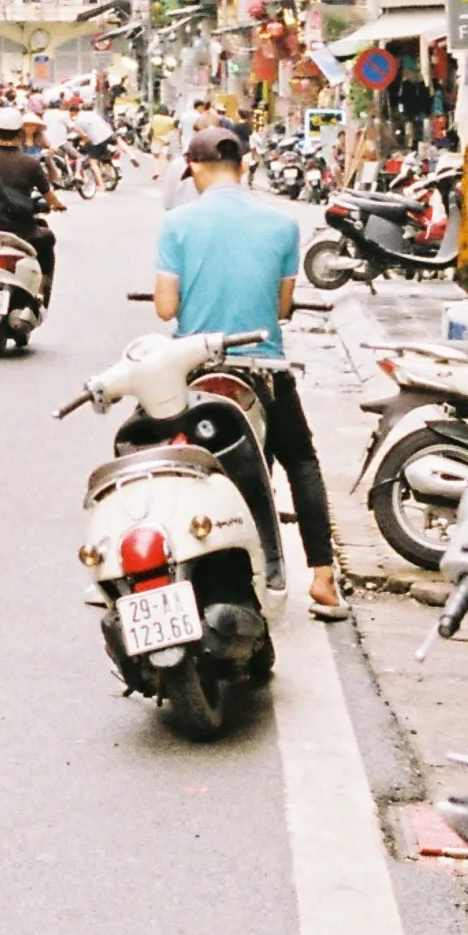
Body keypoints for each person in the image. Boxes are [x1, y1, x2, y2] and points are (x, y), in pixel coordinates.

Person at [154, 125, 344, 621]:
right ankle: (322, 578)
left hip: (195, 367)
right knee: (300, 460)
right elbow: (281, 308)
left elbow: (165, 307)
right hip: (263, 371)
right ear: (243, 167)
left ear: (193, 168)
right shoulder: (282, 226)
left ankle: (142, 573)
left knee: (149, 450)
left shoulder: (177, 223)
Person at [0, 107, 58, 289]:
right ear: (20, 133)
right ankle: (42, 290)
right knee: (48, 239)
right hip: (23, 231)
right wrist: (59, 205)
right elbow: (49, 197)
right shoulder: (30, 163)